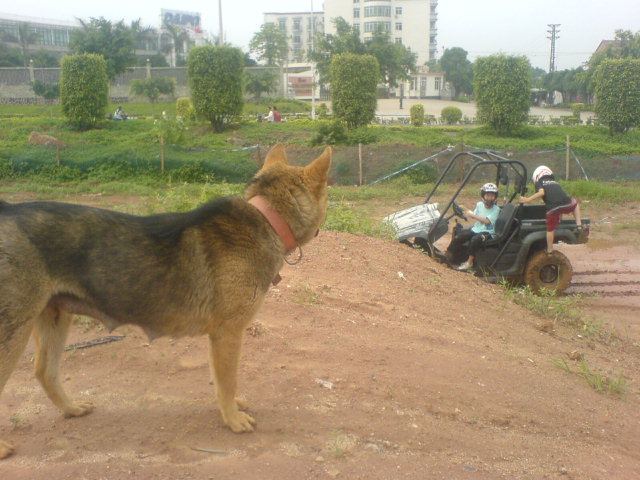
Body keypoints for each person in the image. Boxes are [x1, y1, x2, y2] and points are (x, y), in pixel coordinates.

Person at [519, 165, 582, 254]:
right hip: (565, 203)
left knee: (550, 230)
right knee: (575, 203)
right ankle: (579, 225)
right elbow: (559, 197)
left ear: (536, 176)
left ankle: (549, 250)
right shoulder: (555, 182)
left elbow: (542, 193)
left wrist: (527, 199)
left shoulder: (539, 182)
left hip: (552, 208)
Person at [447, 183, 501, 271]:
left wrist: (472, 215)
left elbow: (487, 221)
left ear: (495, 197)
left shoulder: (496, 210)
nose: (490, 198)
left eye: (492, 196)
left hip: (488, 232)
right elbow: (475, 214)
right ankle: (448, 255)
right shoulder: (479, 205)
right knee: (459, 237)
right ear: (483, 196)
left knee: (475, 240)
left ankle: (469, 263)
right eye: (488, 195)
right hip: (477, 228)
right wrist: (465, 211)